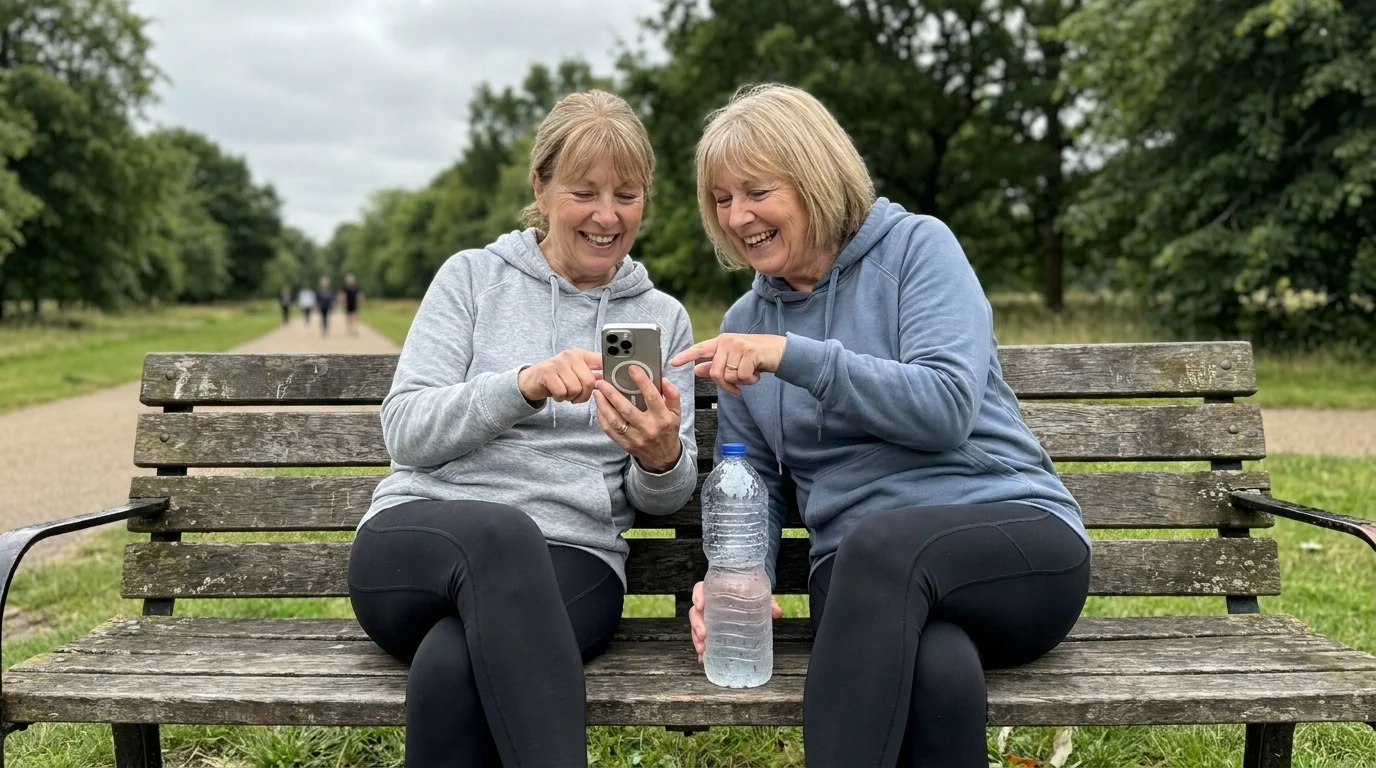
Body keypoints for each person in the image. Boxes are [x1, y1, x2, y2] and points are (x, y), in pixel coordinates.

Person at [670, 84, 1091, 768]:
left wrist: (796, 357)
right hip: (865, 584)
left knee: (881, 546)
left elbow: (946, 407)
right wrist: (741, 577)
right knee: (938, 664)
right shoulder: (745, 326)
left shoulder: (917, 251)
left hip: (1012, 542)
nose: (739, 215)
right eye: (722, 199)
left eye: (756, 191)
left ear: (812, 176)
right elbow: (756, 482)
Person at [349, 89, 698, 767]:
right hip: (420, 542)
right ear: (540, 188)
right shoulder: (472, 280)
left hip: (573, 562)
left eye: (627, 194)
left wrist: (659, 456)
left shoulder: (662, 317)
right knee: (504, 532)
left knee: (450, 667)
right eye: (584, 192)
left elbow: (661, 500)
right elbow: (407, 433)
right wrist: (523, 385)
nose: (607, 215)